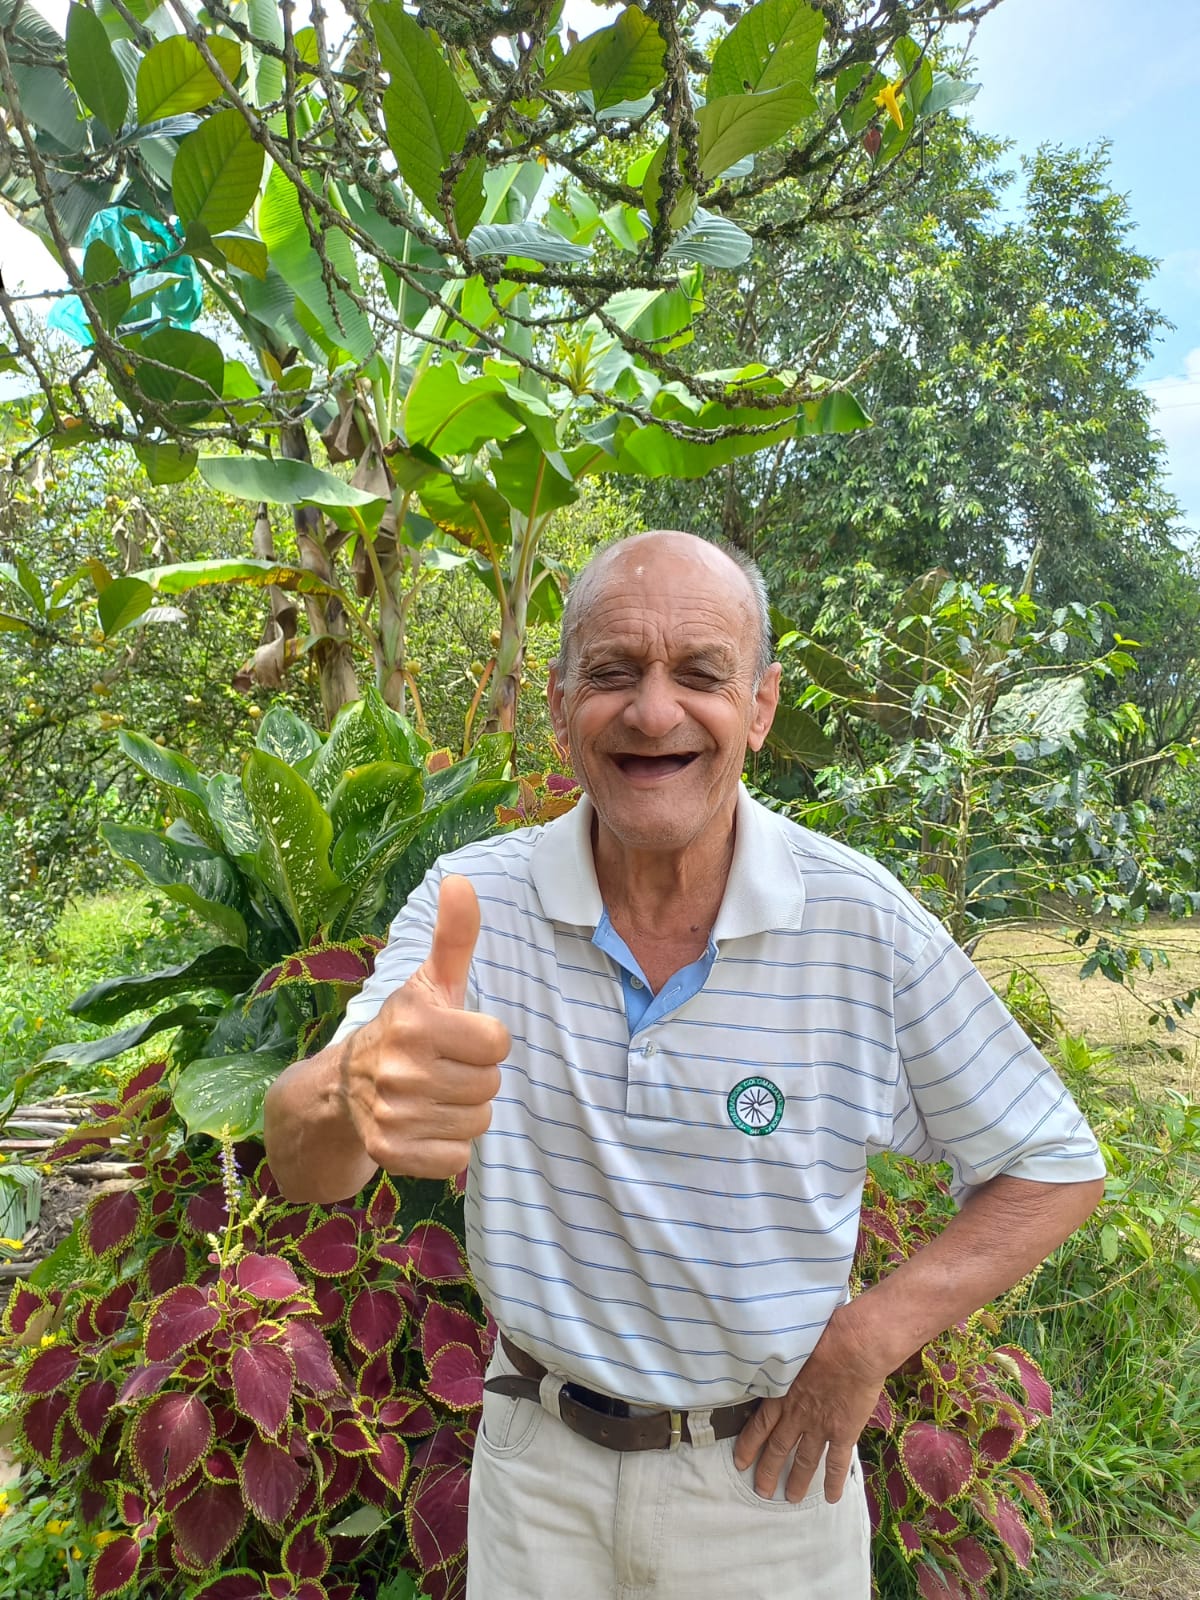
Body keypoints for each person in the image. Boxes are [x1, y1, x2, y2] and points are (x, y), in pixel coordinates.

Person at [264, 531, 1105, 1600]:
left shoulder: (857, 922)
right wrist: (352, 1086)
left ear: (758, 705)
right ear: (562, 700)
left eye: (699, 675)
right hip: (538, 1478)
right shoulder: (471, 907)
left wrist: (866, 1340)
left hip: (767, 1490)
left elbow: (1055, 1160)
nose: (654, 712)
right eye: (613, 672)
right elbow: (302, 1162)